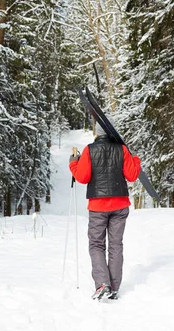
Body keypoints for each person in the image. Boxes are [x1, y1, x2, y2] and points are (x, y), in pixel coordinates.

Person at [69, 117, 141, 300]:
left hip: (98, 206)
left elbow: (82, 177)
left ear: (96, 133)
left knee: (96, 244)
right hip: (120, 205)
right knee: (116, 245)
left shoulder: (89, 150)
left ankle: (103, 284)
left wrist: (73, 163)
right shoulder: (122, 149)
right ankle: (114, 287)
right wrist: (136, 160)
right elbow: (132, 175)